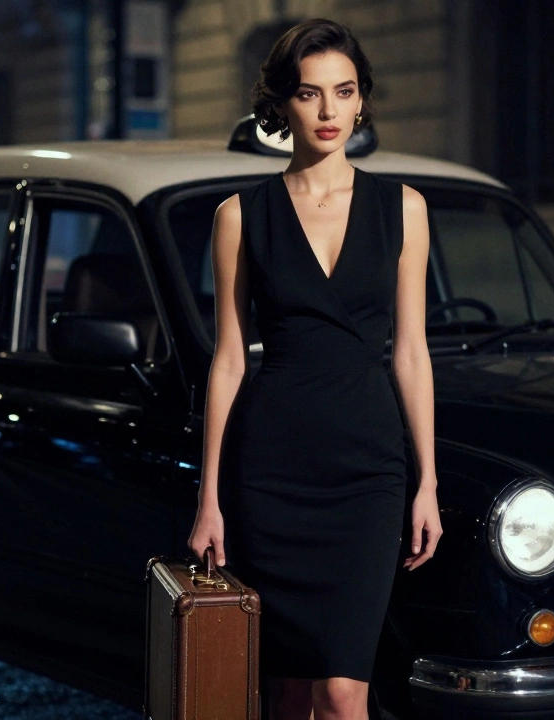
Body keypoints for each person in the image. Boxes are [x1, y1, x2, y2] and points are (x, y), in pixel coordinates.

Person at [186, 17, 441, 720]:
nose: (328, 111)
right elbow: (230, 360)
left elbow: (411, 353)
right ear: (281, 105)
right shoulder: (240, 216)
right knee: (284, 692)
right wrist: (210, 498)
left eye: (344, 91)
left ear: (362, 101)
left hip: (367, 473)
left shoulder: (404, 209)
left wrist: (428, 483)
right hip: (272, 471)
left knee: (340, 692)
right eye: (310, 94)